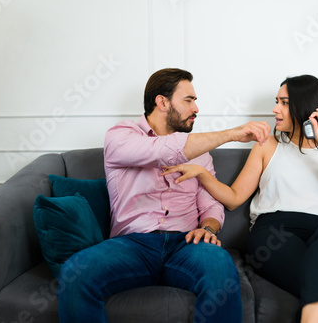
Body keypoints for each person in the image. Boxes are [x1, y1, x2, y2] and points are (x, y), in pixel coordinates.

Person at [57, 68, 271, 323]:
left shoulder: (201, 154)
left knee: (221, 269)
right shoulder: (120, 136)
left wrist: (209, 229)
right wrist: (231, 134)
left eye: (195, 100)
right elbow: (162, 151)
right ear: (162, 102)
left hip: (186, 244)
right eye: (188, 100)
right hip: (133, 244)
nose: (196, 108)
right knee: (75, 273)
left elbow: (211, 205)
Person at [161, 74, 318, 323]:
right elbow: (234, 198)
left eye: (284, 102)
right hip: (274, 233)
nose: (275, 109)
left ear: (304, 106)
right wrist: (203, 174)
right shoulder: (267, 146)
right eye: (276, 101)